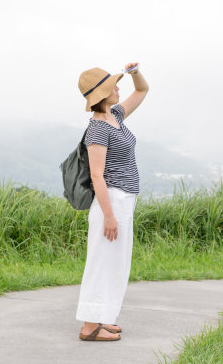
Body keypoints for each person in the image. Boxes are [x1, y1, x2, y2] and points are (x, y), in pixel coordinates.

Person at [75, 63, 149, 341]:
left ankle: (102, 318)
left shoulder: (116, 116)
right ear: (102, 94)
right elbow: (96, 174)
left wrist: (134, 72)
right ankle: (89, 327)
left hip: (123, 200)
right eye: (113, 86)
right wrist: (108, 215)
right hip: (112, 201)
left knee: (115, 262)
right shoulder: (97, 129)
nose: (119, 88)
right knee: (102, 261)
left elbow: (142, 90)